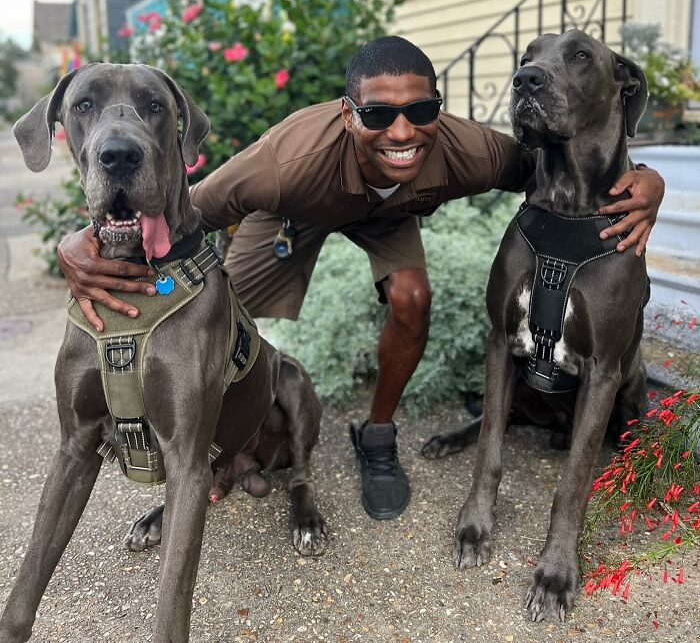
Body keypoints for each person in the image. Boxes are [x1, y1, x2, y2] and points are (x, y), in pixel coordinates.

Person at [58, 36, 665, 521]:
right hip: (294, 212)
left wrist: (646, 178)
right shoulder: (281, 162)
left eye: (421, 111)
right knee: (221, 320)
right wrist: (75, 242)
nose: (402, 132)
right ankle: (214, 452)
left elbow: (559, 159)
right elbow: (182, 207)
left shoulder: (467, 150)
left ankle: (377, 437)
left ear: (439, 108)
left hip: (385, 217)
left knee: (411, 298)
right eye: (378, 114)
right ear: (349, 115)